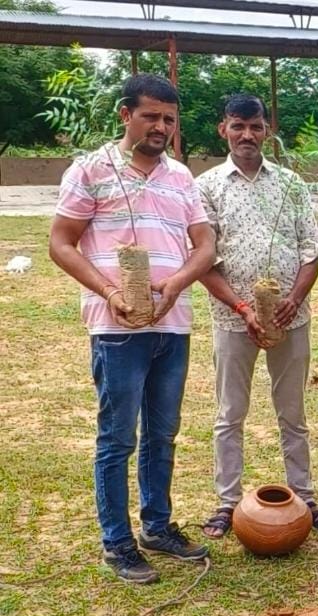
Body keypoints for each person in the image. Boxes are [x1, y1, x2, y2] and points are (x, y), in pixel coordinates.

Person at [48, 74, 215, 584]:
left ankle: (157, 526)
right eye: (151, 116)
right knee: (118, 437)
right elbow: (61, 243)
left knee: (162, 433)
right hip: (116, 328)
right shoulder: (91, 170)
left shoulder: (181, 177)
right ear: (126, 114)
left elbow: (205, 247)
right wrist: (111, 292)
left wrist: (176, 286)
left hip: (173, 324)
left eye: (169, 118)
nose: (161, 126)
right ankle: (117, 542)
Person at [196, 93, 318, 538]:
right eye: (238, 126)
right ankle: (227, 502)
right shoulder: (208, 187)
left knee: (292, 412)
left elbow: (313, 252)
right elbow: (204, 259)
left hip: (291, 319)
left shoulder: (291, 185)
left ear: (267, 129)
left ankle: (305, 496)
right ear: (224, 130)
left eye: (255, 126)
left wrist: (294, 298)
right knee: (230, 412)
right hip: (234, 321)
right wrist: (241, 307)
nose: (247, 135)